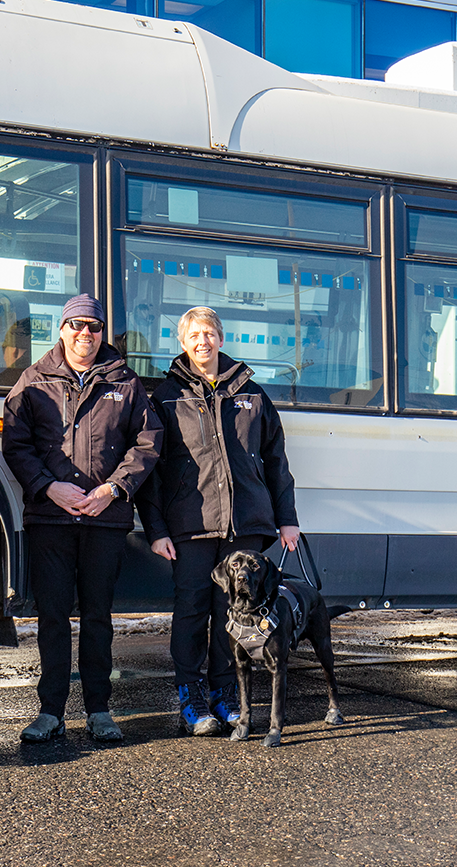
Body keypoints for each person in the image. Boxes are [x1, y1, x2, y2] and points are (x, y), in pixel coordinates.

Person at [2, 294, 162, 743]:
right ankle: (50, 712)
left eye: (93, 327)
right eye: (76, 326)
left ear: (101, 333)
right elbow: (16, 443)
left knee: (98, 616)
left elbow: (147, 443)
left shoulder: (126, 382)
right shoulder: (33, 379)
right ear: (62, 329)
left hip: (105, 518)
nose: (85, 334)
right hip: (50, 517)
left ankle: (99, 710)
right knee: (52, 616)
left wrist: (113, 489)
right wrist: (49, 486)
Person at [137, 306, 300, 736]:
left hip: (246, 523)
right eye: (194, 335)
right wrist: (156, 530)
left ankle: (225, 695)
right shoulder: (166, 398)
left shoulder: (254, 396)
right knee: (191, 611)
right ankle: (190, 696)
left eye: (209, 333)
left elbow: (276, 461)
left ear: (221, 339)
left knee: (236, 614)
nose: (202, 341)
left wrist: (287, 519)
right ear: (184, 343)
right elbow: (150, 471)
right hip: (190, 525)